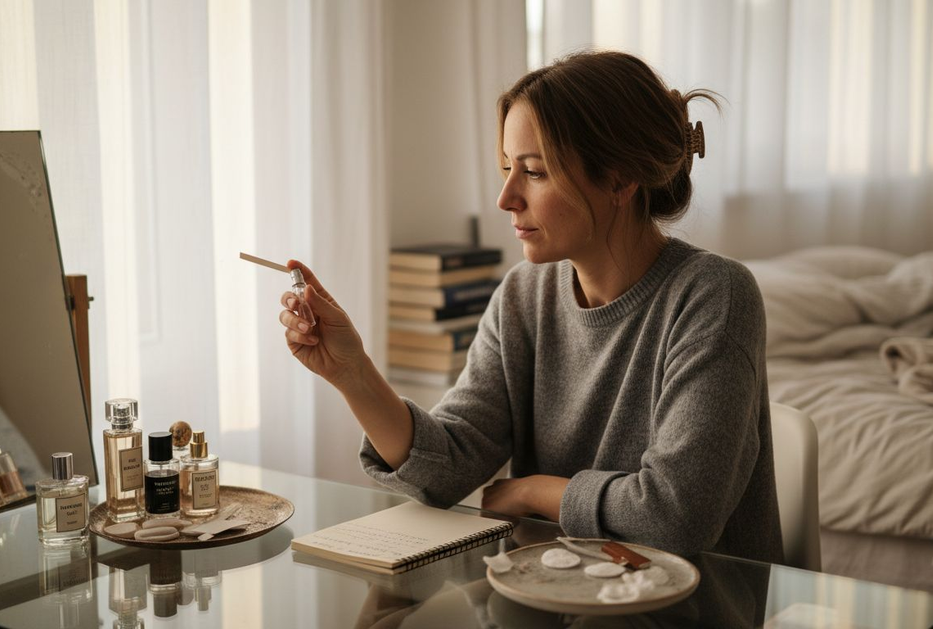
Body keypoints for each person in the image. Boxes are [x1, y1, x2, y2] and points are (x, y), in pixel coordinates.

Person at [279, 50, 782, 563]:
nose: (505, 197)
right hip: (552, 598)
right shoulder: (524, 295)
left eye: (534, 172)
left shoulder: (714, 296)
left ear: (619, 180)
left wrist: (532, 491)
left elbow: (676, 517)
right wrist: (353, 373)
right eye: (506, 169)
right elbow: (446, 467)